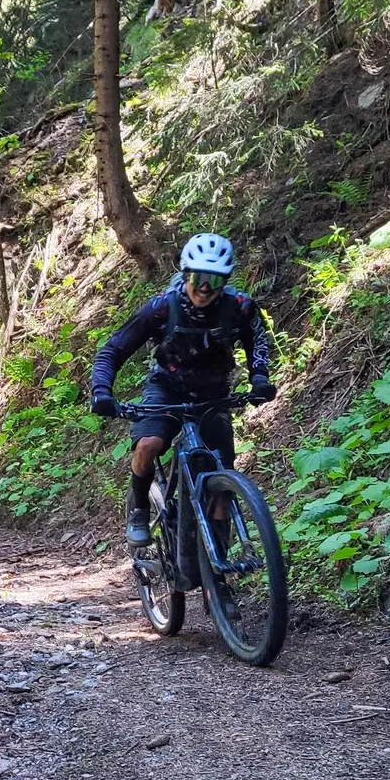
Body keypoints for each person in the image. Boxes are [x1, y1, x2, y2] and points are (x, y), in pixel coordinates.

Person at [90, 233, 275, 546]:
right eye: (197, 277)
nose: (204, 287)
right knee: (148, 443)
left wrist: (259, 378)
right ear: (185, 274)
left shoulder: (240, 307)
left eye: (214, 280)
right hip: (167, 389)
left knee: (223, 473)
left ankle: (219, 568)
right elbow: (114, 349)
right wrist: (102, 392)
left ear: (225, 281)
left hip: (213, 394)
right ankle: (139, 507)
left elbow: (258, 340)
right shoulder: (163, 307)